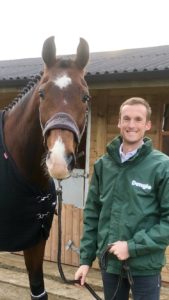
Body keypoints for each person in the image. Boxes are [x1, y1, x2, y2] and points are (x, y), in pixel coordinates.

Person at [75, 97, 169, 300]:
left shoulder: (162, 167)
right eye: (126, 119)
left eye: (138, 119)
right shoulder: (103, 165)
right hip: (111, 265)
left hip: (145, 266)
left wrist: (131, 247)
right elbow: (92, 214)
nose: (131, 125)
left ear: (148, 125)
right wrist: (85, 260)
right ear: (119, 122)